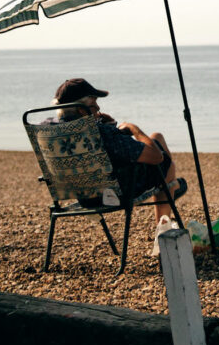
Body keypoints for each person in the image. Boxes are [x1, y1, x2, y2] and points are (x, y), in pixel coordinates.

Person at [51, 78, 183, 234]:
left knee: (162, 152)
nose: (98, 107)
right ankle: (163, 230)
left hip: (84, 197)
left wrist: (109, 126)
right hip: (116, 194)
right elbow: (156, 157)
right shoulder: (101, 133)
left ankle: (171, 189)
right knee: (163, 155)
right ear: (81, 110)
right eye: (94, 104)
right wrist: (134, 129)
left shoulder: (52, 132)